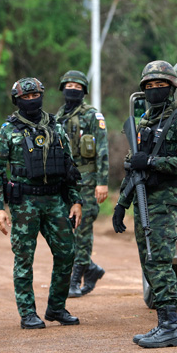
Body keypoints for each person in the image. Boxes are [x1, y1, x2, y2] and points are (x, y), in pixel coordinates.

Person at [0, 77, 84, 329]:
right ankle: (28, 312)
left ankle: (56, 308)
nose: (31, 100)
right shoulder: (8, 130)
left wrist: (75, 200)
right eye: (25, 98)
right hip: (24, 202)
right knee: (24, 258)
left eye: (35, 96)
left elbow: (69, 168)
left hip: (54, 200)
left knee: (67, 252)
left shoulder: (56, 126)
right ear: (17, 101)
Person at [113, 61, 177, 348]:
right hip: (142, 199)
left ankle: (170, 326)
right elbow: (133, 169)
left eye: (159, 85)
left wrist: (151, 161)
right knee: (148, 262)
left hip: (163, 202)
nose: (153, 90)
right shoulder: (146, 122)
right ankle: (163, 323)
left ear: (171, 88)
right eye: (148, 86)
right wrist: (121, 204)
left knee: (159, 261)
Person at [54, 70, 109, 298]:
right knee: (67, 231)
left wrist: (102, 182)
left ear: (84, 92)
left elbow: (102, 150)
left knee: (82, 231)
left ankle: (75, 280)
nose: (73, 90)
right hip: (64, 184)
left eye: (78, 87)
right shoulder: (58, 117)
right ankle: (91, 268)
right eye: (69, 86)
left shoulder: (92, 116)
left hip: (87, 183)